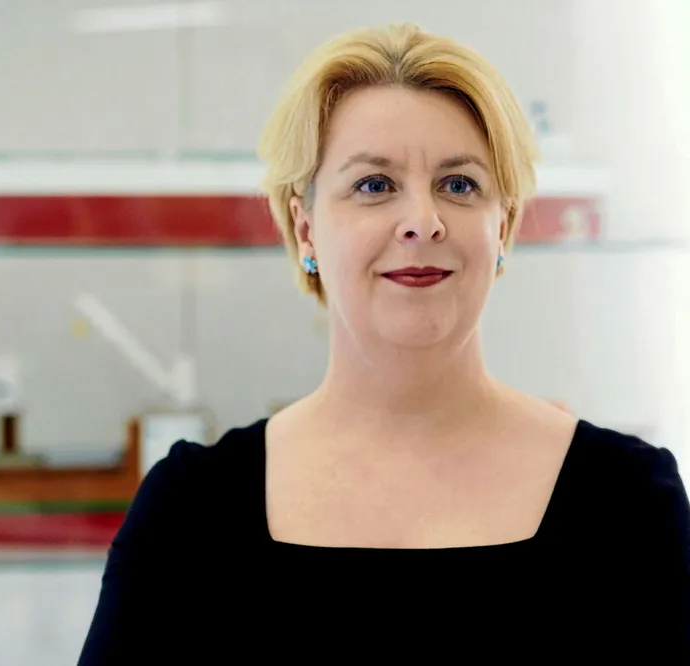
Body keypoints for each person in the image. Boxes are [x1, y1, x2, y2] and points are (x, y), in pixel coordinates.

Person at [78, 23, 690, 664]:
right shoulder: (190, 511)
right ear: (306, 229)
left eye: (459, 185)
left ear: (503, 224)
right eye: (374, 185)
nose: (422, 222)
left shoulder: (627, 500)